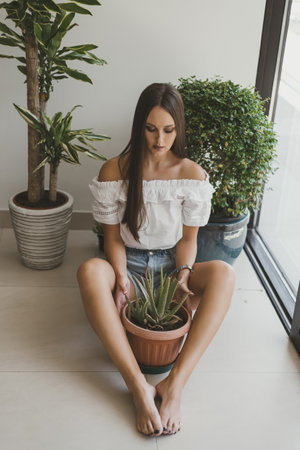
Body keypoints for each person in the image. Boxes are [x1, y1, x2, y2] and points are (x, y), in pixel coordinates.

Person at [77, 83, 235, 437]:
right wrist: (120, 277)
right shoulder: (114, 170)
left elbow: (189, 240)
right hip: (129, 261)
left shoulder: (191, 174)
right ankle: (137, 386)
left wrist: (183, 276)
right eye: (150, 129)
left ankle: (175, 384)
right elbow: (112, 238)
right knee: (89, 271)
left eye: (168, 130)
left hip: (170, 264)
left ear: (178, 129)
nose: (159, 140)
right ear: (139, 126)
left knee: (224, 274)